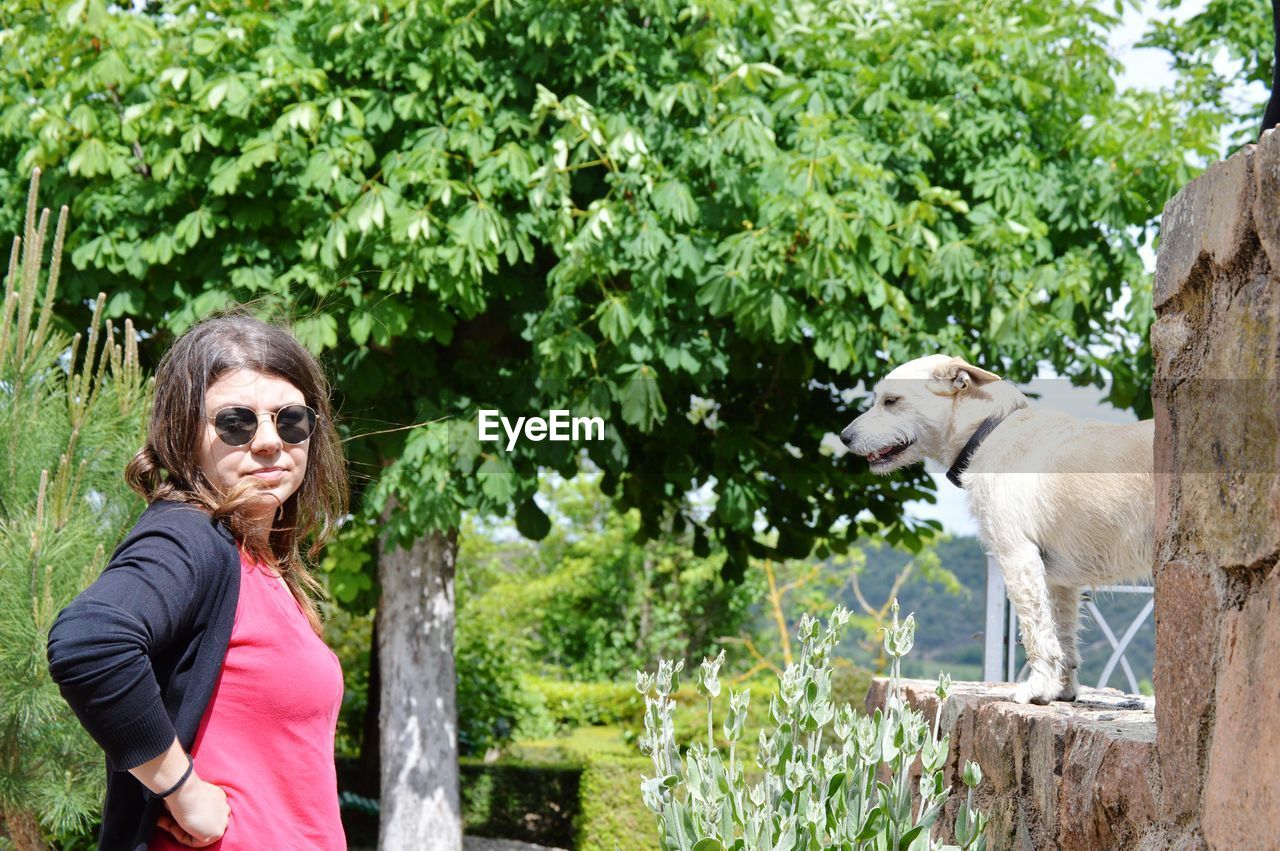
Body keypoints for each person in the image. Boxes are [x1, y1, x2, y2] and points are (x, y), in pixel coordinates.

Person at [47, 313, 349, 850]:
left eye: (291, 420)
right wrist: (185, 793)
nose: (267, 442)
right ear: (185, 433)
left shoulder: (256, 561)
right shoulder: (191, 534)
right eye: (235, 422)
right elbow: (91, 640)